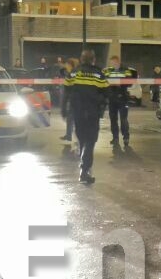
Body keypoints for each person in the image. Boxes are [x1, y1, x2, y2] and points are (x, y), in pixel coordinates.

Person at [65, 49, 108, 184]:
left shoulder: (74, 73)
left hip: (78, 112)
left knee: (83, 139)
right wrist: (102, 108)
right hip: (92, 113)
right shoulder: (99, 74)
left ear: (81, 59)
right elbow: (106, 93)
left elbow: (66, 91)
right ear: (93, 59)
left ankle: (84, 164)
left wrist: (63, 109)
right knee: (90, 141)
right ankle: (84, 170)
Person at [104, 55, 136, 147]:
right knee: (113, 120)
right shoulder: (108, 71)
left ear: (118, 62)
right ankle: (115, 138)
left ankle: (126, 137)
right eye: (111, 63)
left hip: (123, 98)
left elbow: (129, 82)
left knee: (123, 119)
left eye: (114, 63)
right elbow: (104, 81)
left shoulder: (125, 70)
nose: (112, 65)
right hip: (112, 99)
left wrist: (119, 83)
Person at [54, 57, 73, 141]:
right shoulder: (67, 73)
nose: (66, 66)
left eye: (67, 65)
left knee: (74, 119)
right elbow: (61, 72)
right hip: (70, 99)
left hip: (74, 99)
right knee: (70, 118)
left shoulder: (74, 74)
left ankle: (76, 137)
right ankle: (69, 136)